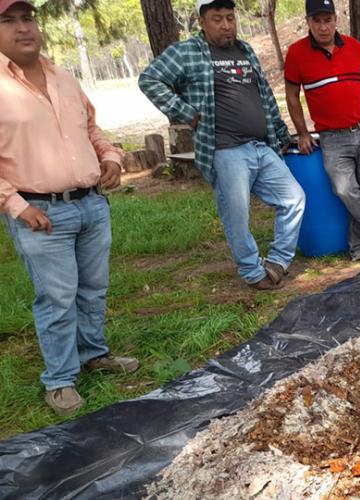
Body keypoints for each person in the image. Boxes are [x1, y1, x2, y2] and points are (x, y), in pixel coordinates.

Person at [0, 0, 139, 416]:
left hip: (91, 205)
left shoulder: (63, 77)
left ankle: (93, 354)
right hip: (39, 214)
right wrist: (16, 205)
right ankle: (59, 379)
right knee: (57, 298)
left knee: (93, 289)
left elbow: (91, 128)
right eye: (8, 21)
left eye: (28, 19)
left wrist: (111, 158)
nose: (23, 28)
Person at [139, 0, 305, 289]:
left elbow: (264, 96)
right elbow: (149, 79)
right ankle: (253, 273)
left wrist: (281, 134)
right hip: (225, 149)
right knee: (237, 214)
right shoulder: (187, 52)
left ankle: (278, 261)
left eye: (230, 17)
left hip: (260, 145)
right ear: (202, 22)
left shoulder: (245, 50)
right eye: (217, 19)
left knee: (293, 198)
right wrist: (185, 113)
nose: (226, 24)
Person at [283, 0, 360, 263]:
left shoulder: (352, 45)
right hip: (332, 138)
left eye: (327, 20)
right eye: (317, 21)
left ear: (335, 20)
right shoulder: (297, 53)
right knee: (345, 189)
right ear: (308, 22)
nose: (323, 27)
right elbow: (291, 97)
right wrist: (302, 133)